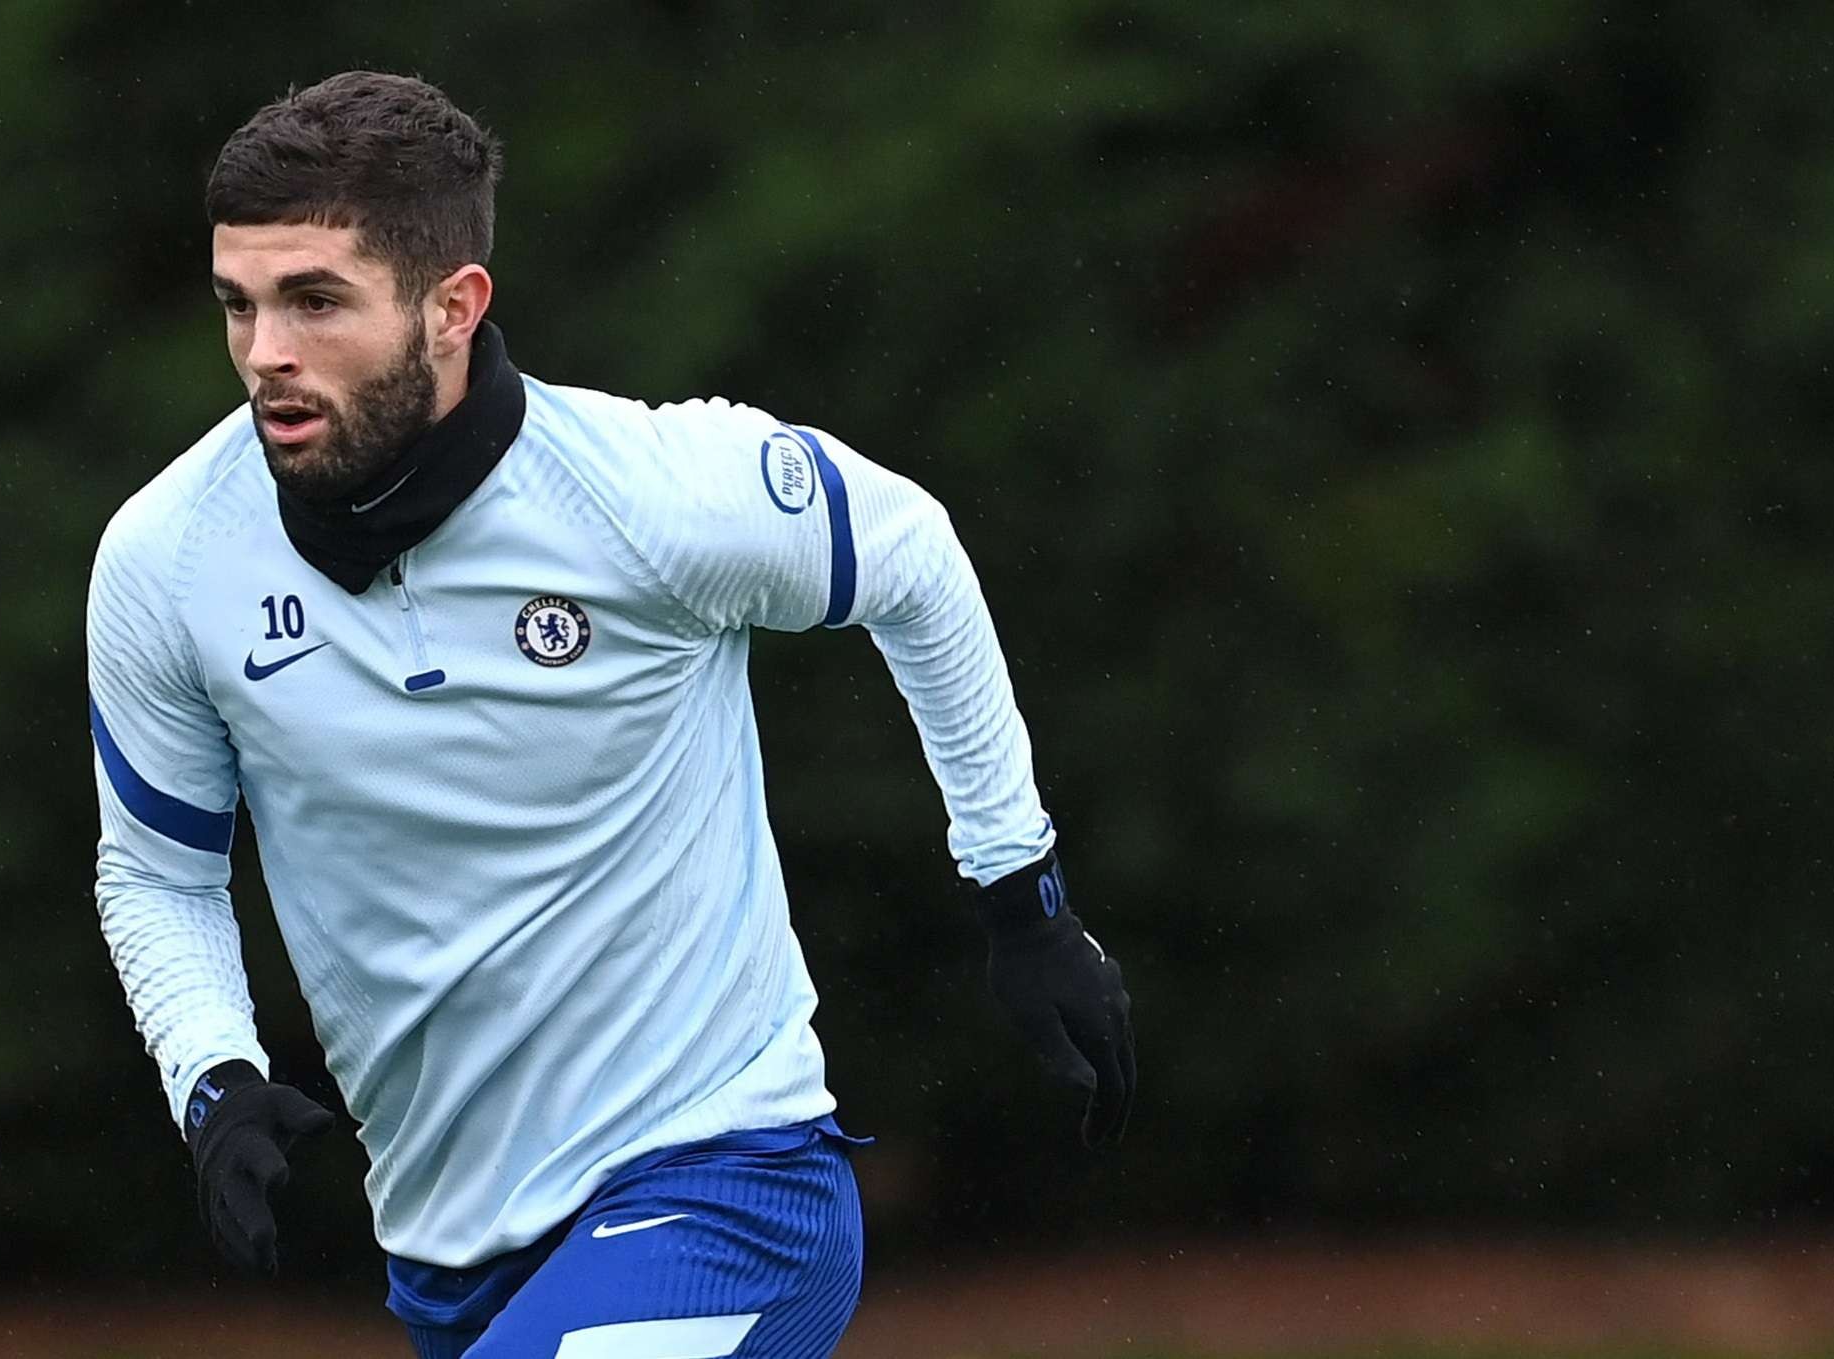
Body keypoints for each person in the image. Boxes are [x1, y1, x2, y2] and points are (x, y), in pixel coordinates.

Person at [86, 70, 1134, 1358]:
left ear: (453, 307)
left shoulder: (653, 495)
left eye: (316, 302)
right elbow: (157, 869)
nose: (265, 355)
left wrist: (1019, 895)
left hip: (723, 1185)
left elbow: (913, 558)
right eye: (239, 307)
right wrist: (216, 1081)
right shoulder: (167, 558)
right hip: (445, 1249)